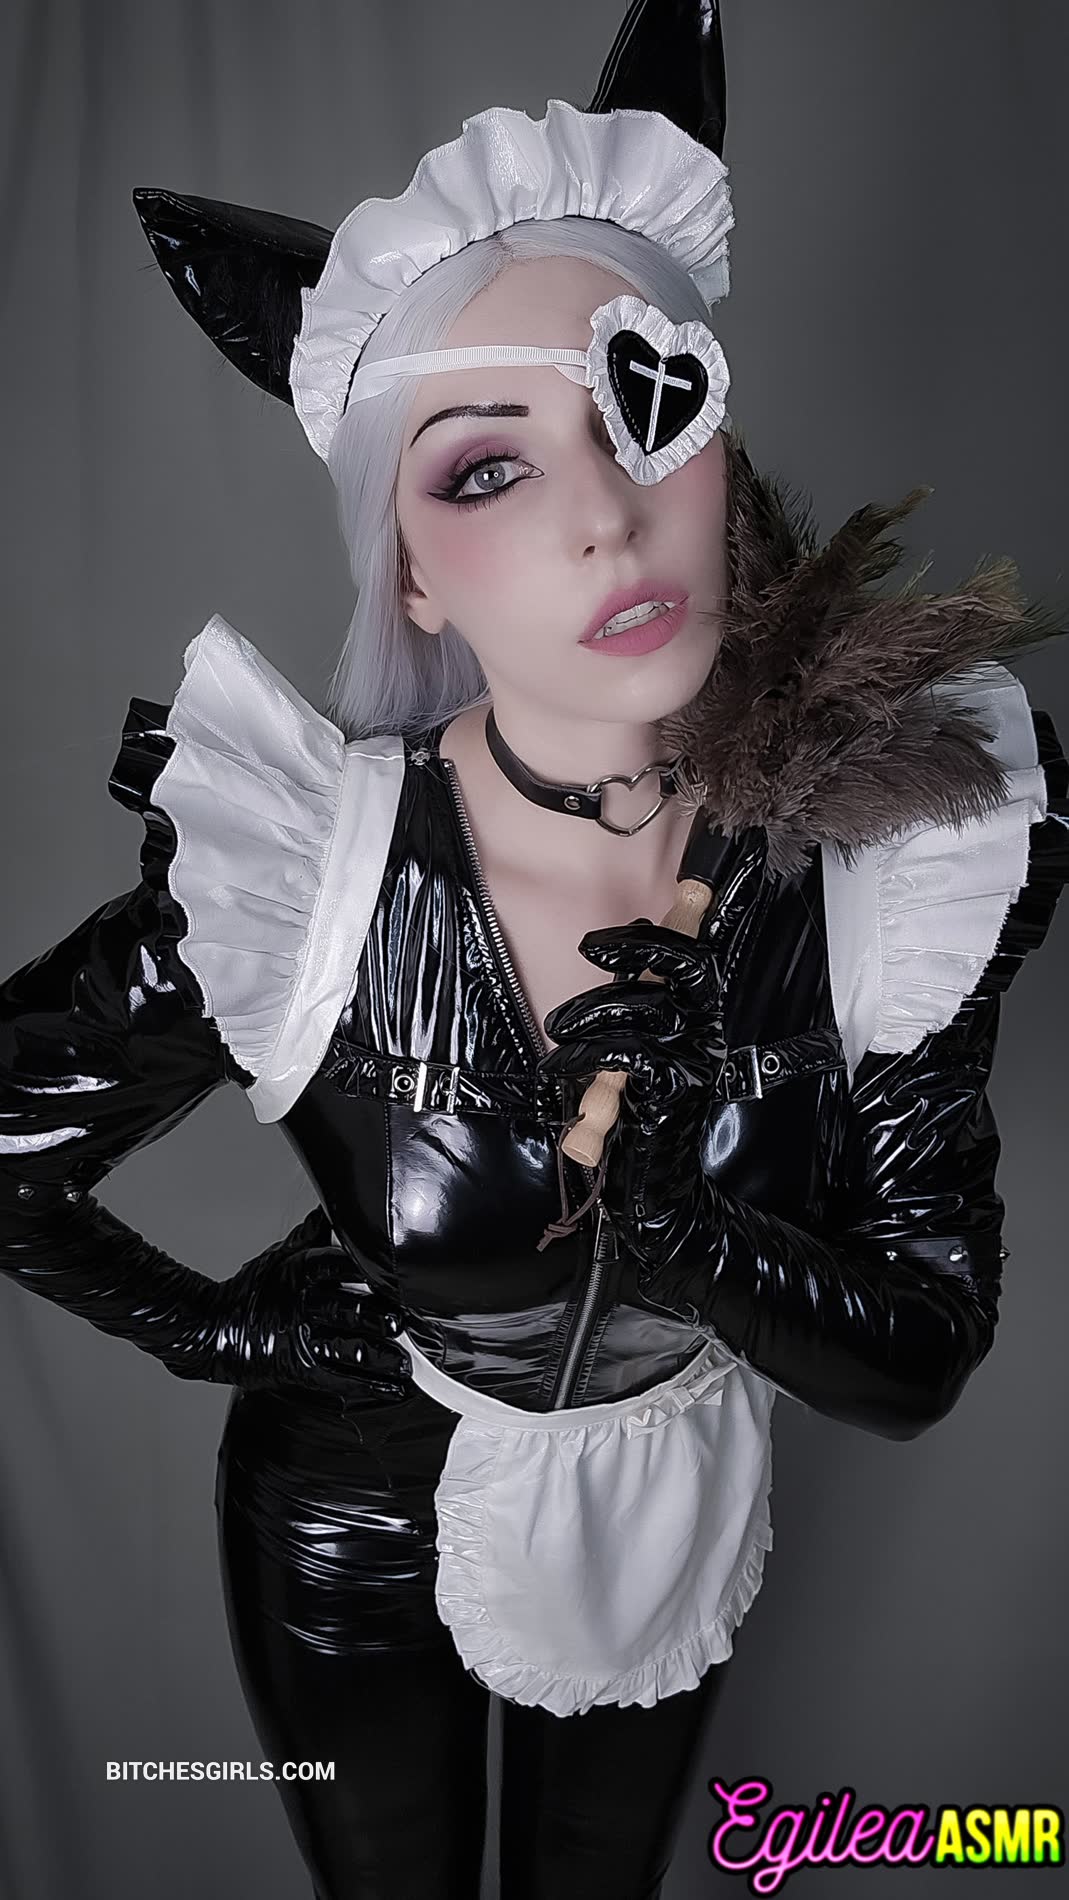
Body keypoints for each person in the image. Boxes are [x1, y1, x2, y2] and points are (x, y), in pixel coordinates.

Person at [2, 5, 1068, 1896]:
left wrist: (678, 1227)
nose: (603, 517)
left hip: (667, 1502)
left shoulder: (878, 863)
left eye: (646, 403)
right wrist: (221, 1330)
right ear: (411, 569)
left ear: (720, 446)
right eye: (485, 471)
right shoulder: (309, 877)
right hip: (351, 1518)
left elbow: (917, 1357)